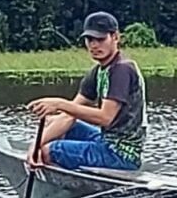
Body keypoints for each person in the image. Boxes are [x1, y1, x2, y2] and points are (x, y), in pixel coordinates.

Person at [26, 11, 147, 171]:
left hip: (121, 154)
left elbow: (105, 118)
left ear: (115, 37)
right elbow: (69, 116)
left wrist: (60, 103)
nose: (94, 45)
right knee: (55, 123)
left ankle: (66, 186)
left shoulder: (122, 69)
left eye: (100, 39)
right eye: (90, 39)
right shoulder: (98, 71)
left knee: (51, 150)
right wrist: (35, 145)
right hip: (105, 141)